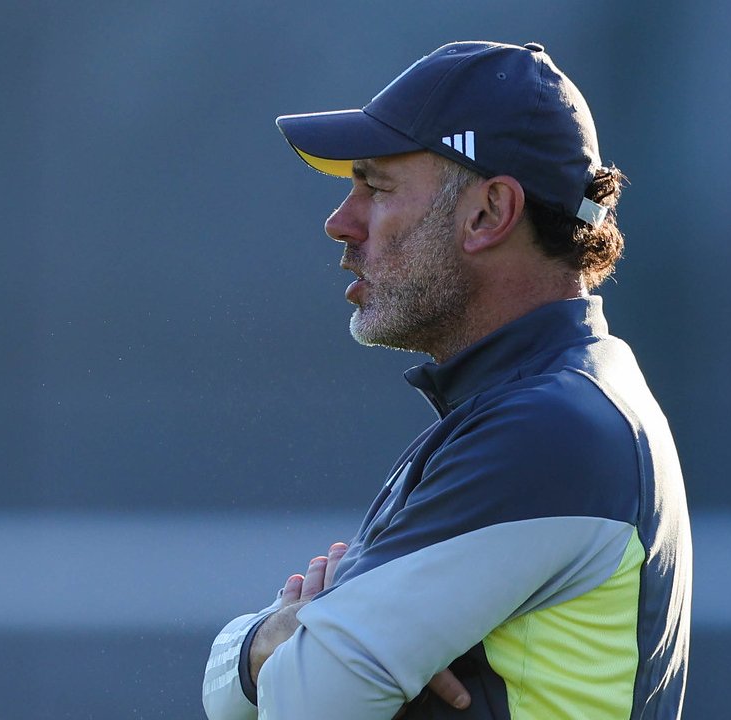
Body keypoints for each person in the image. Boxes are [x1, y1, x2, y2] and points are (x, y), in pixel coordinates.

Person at [203, 40, 691, 719]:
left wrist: (278, 650)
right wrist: (269, 647)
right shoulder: (552, 401)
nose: (339, 222)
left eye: (374, 187)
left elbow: (310, 700)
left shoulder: (549, 427)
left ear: (489, 212)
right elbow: (255, 694)